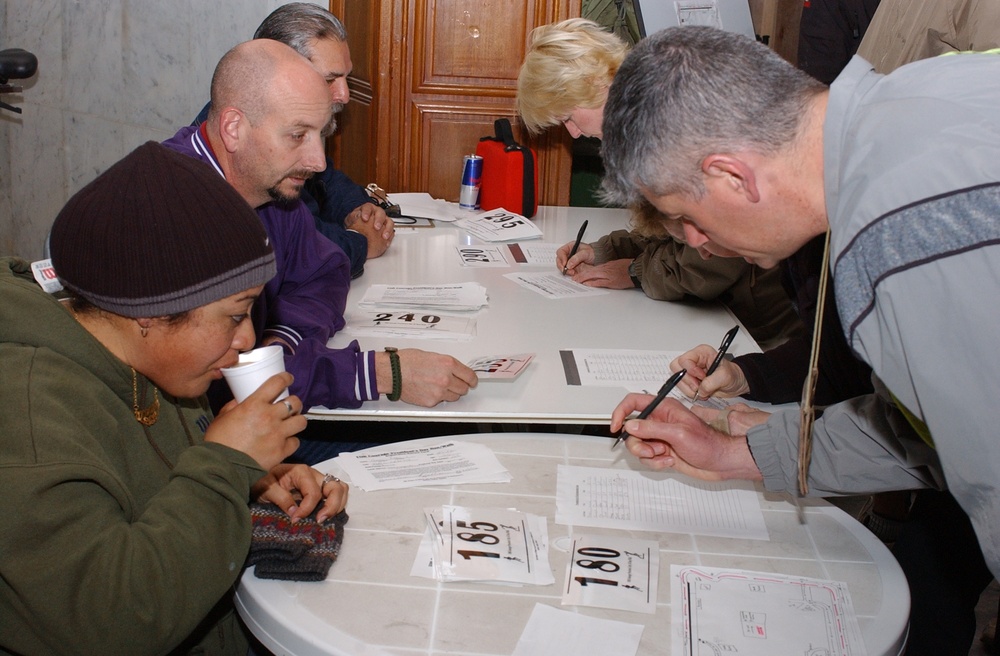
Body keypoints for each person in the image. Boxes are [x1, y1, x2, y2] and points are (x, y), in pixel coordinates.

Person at [600, 26, 1000, 587]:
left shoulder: (898, 231)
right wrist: (733, 452)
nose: (693, 241)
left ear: (731, 176)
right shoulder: (924, 93)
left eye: (687, 215)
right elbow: (935, 432)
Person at [0, 141, 349, 654]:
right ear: (149, 310)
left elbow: (157, 491)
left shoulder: (158, 364)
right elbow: (115, 622)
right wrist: (223, 465)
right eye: (235, 315)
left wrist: (250, 479)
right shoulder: (30, 418)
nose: (248, 339)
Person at [166, 39, 477, 413]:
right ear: (234, 127)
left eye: (320, 134)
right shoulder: (176, 207)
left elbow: (324, 271)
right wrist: (377, 372)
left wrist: (283, 338)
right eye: (298, 136)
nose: (316, 161)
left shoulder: (271, 186)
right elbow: (227, 376)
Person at [517, 18, 805, 350]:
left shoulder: (671, 124)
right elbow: (670, 229)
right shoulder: (645, 117)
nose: (573, 133)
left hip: (763, 326)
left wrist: (636, 273)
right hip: (737, 314)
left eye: (568, 116)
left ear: (592, 84)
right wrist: (605, 251)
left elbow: (712, 254)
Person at [194, 3, 394, 278]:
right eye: (330, 79)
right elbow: (300, 250)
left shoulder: (285, 123)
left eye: (346, 78)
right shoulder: (251, 142)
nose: (345, 95)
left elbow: (324, 178)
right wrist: (361, 241)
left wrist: (357, 209)